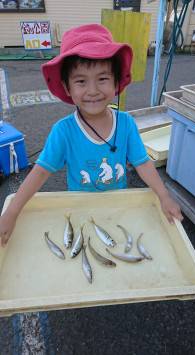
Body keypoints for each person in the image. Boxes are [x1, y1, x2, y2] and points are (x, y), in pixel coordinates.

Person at [0, 23, 183, 247]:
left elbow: (142, 163)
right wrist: (12, 211)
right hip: (80, 207)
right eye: (81, 81)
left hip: (118, 205)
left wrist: (164, 195)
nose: (93, 90)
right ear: (67, 88)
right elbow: (39, 173)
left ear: (116, 82)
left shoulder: (126, 124)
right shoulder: (63, 131)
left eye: (103, 79)